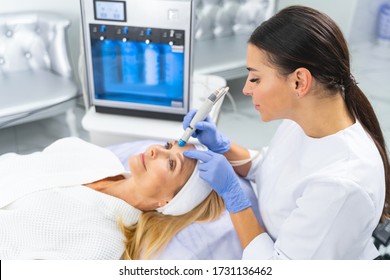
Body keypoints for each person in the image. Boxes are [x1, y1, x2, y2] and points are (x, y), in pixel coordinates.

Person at [183, 5, 390, 259]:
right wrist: (224, 148)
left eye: (255, 78)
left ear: (299, 82)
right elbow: (272, 169)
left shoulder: (341, 184)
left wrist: (233, 197)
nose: (246, 90)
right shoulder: (303, 119)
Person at [0, 137, 224, 260]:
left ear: (167, 201)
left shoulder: (102, 246)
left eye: (171, 163)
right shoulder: (92, 154)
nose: (156, 150)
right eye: (168, 146)